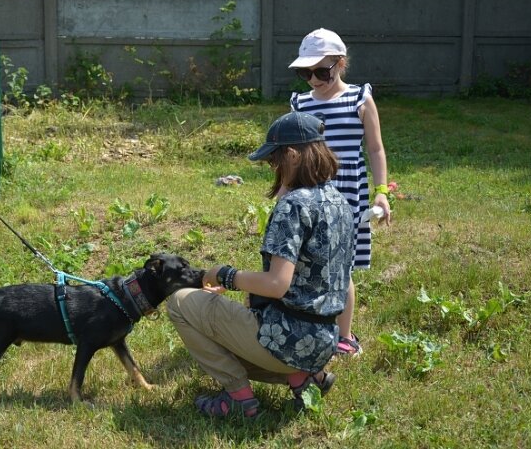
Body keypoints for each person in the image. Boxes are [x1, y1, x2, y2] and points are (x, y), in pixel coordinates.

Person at [167, 112, 354, 418]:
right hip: (323, 343)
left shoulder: (294, 206)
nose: (273, 169)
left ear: (291, 156)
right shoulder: (340, 202)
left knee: (179, 303)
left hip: (287, 342)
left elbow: (276, 284)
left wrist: (225, 275)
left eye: (273, 161)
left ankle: (238, 399)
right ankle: (304, 379)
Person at [287, 28, 392, 356]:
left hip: (348, 201)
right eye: (307, 73)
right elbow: (294, 154)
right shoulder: (300, 103)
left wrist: (381, 191)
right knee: (309, 266)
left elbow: (375, 149)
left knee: (340, 269)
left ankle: (343, 337)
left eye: (322, 71)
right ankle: (312, 324)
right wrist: (286, 194)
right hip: (311, 201)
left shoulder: (359, 98)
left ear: (340, 64)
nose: (314, 80)